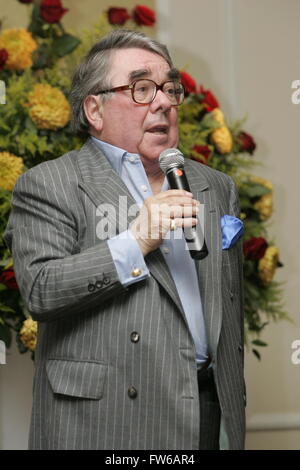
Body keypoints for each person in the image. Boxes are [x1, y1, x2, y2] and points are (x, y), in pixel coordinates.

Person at [4, 29, 245, 450]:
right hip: (106, 421)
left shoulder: (215, 185)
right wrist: (137, 240)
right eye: (142, 88)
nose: (165, 102)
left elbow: (227, 305)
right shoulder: (50, 183)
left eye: (170, 88)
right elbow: (41, 291)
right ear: (94, 108)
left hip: (207, 412)